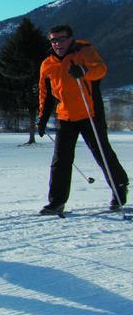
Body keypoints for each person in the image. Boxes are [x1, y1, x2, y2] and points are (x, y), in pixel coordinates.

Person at [37, 24, 128, 215]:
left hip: (90, 113)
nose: (57, 44)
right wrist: (42, 119)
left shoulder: (85, 52)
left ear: (71, 39)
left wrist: (84, 71)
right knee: (60, 161)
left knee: (102, 153)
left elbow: (101, 69)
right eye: (53, 40)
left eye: (61, 39)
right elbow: (45, 94)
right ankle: (56, 202)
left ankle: (119, 187)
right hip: (65, 116)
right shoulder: (48, 64)